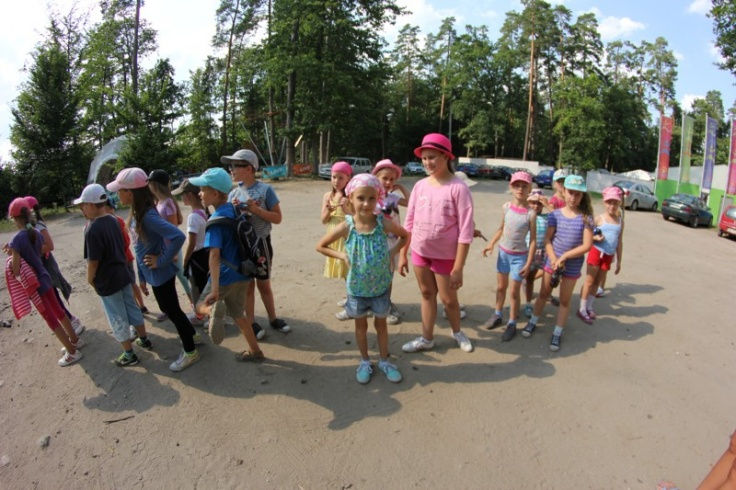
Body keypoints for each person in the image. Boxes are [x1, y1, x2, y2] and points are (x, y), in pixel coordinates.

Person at [316, 174, 409, 383]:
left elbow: (405, 235)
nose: (366, 203)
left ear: (378, 199)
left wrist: (392, 252)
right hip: (356, 290)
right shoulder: (347, 225)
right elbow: (320, 246)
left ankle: (384, 361)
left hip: (380, 287)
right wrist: (342, 255)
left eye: (371, 198)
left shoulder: (383, 223)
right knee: (360, 327)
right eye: (361, 198)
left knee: (381, 326)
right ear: (350, 198)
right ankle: (365, 361)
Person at [107, 168, 201, 372]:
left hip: (161, 274)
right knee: (171, 308)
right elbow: (139, 247)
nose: (117, 195)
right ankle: (192, 335)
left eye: (120, 190)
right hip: (153, 275)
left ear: (130, 192)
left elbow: (178, 236)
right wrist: (142, 276)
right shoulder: (138, 213)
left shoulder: (148, 216)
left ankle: (190, 351)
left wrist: (161, 260)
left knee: (171, 310)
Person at [398, 133, 475, 354]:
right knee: (426, 293)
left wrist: (458, 268)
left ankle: (457, 332)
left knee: (449, 300)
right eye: (424, 158)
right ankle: (427, 338)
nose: (427, 162)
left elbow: (466, 232)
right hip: (420, 252)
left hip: (446, 256)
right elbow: (409, 222)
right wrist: (403, 254)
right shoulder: (420, 186)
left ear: (446, 156)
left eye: (432, 157)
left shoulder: (458, 188)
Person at [190, 167, 265, 361]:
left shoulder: (215, 221)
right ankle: (255, 351)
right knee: (239, 314)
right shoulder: (235, 209)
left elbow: (214, 255)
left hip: (223, 276)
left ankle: (212, 311)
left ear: (215, 194)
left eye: (203, 190)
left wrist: (215, 290)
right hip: (243, 273)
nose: (199, 193)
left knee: (199, 306)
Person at [75, 184, 151, 367]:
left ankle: (129, 354)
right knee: (132, 307)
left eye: (83, 205)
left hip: (107, 280)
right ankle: (144, 339)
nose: (82, 209)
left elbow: (93, 261)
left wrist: (90, 279)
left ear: (91, 205)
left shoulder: (92, 229)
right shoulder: (114, 220)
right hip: (123, 274)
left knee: (116, 316)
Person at [4, 198, 82, 366]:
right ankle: (75, 340)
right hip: (45, 277)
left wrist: (12, 255)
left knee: (50, 319)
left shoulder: (16, 240)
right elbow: (37, 253)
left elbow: (16, 270)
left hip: (35, 285)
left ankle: (72, 352)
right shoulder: (35, 233)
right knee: (59, 311)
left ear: (14, 218)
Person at [522, 174, 594, 351]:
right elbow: (548, 239)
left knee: (564, 300)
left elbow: (587, 245)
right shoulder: (555, 215)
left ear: (583, 196)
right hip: (552, 262)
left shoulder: (586, 218)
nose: (573, 197)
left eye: (578, 194)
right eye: (570, 192)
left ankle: (557, 332)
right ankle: (533, 321)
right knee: (543, 294)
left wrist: (565, 256)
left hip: (572, 266)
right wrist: (554, 258)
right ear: (564, 191)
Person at [222, 149, 290, 336]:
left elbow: (277, 218)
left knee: (263, 284)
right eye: (231, 166)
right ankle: (251, 323)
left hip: (261, 244)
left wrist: (256, 210)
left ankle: (273, 319)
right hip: (242, 247)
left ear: (249, 168)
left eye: (235, 166)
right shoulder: (233, 194)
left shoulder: (265, 190)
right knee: (247, 286)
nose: (231, 170)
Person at [481, 171, 537, 341]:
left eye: (524, 186)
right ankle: (497, 314)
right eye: (517, 185)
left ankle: (512, 322)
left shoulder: (531, 214)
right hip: (503, 254)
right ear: (511, 187)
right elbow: (501, 228)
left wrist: (528, 262)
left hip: (519, 257)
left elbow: (533, 240)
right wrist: (491, 243)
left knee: (514, 292)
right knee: (501, 287)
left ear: (529, 189)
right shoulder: (506, 207)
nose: (520, 189)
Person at [24, 195, 85, 336]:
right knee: (53, 298)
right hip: (41, 267)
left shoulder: (38, 226)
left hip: (46, 267)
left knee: (54, 297)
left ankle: (71, 321)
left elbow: (49, 246)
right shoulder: (31, 226)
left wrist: (30, 251)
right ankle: (68, 322)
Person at [577, 186, 624, 323]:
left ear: (619, 203)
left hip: (608, 255)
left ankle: (589, 306)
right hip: (596, 252)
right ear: (604, 202)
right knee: (590, 281)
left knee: (598, 282)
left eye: (615, 203)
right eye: (609, 202)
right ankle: (582, 308)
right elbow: (586, 236)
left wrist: (619, 261)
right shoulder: (599, 219)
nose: (612, 206)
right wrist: (595, 238)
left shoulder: (620, 222)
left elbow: (619, 242)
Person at [372, 158, 410, 325]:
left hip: (392, 244)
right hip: (374, 243)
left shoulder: (393, 197)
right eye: (384, 178)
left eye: (392, 179)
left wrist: (400, 187)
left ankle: (386, 305)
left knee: (388, 276)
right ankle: (373, 304)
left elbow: (411, 202)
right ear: (376, 178)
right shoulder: (370, 197)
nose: (388, 182)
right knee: (373, 275)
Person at [147, 169, 193, 305]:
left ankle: (196, 305)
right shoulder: (158, 202)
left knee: (183, 277)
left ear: (155, 184)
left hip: (172, 249)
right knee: (171, 279)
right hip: (164, 249)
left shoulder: (168, 202)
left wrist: (174, 253)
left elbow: (173, 228)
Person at [103, 196, 149, 319]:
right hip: (123, 258)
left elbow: (126, 241)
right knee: (131, 284)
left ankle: (140, 307)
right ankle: (139, 307)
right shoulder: (114, 220)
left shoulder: (116, 221)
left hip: (124, 259)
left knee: (131, 284)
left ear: (109, 208)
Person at [172, 179, 210, 326]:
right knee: (206, 286)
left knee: (196, 288)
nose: (181, 198)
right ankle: (209, 314)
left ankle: (201, 316)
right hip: (206, 254)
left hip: (197, 258)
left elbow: (192, 243)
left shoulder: (193, 217)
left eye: (182, 195)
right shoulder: (204, 211)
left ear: (189, 195)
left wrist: (186, 261)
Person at [321, 161, 352, 320]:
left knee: (350, 270)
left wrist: (346, 208)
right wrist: (328, 210)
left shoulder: (352, 196)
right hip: (333, 235)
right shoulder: (328, 196)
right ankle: (350, 298)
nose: (336, 181)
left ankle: (353, 305)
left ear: (348, 178)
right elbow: (323, 220)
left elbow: (356, 218)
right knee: (343, 271)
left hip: (347, 236)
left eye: (341, 178)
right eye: (334, 177)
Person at [523, 190, 549, 318]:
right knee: (525, 278)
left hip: (541, 252)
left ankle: (529, 302)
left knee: (531, 278)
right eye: (533, 203)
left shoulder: (547, 218)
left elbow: (558, 217)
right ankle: (524, 303)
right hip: (526, 251)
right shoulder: (525, 215)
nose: (536, 206)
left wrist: (548, 204)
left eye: (539, 203)